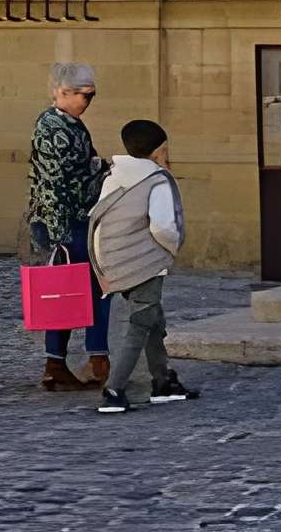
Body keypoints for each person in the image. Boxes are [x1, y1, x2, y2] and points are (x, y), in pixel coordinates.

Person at [88, 117, 196, 413]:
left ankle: (163, 381)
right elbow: (162, 227)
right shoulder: (157, 180)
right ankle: (114, 389)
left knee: (152, 320)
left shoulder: (114, 176)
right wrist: (171, 250)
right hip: (145, 262)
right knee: (139, 324)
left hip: (115, 260)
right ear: (159, 151)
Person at [27, 62, 111, 390]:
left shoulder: (71, 123)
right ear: (62, 92)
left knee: (65, 293)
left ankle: (58, 364)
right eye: (83, 95)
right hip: (63, 221)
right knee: (95, 288)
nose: (87, 102)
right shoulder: (54, 126)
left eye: (92, 96)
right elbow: (60, 180)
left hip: (71, 219)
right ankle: (97, 359)